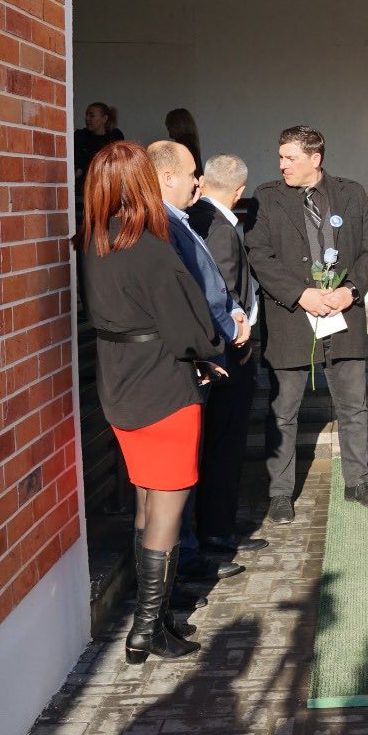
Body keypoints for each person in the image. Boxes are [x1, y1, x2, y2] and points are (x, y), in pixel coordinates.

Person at [80, 141, 223, 663]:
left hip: (118, 383)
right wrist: (211, 352)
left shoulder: (93, 242)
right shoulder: (150, 246)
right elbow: (189, 323)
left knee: (146, 497)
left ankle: (156, 618)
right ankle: (146, 629)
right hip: (163, 384)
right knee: (167, 504)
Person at [248, 125, 368, 519]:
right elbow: (258, 254)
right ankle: (280, 494)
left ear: (316, 158)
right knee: (283, 410)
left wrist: (351, 291)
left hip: (343, 316)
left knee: (353, 406)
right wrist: (300, 294)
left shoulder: (351, 193)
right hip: (291, 318)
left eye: (290, 158)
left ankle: (357, 483)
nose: (282, 165)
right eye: (280, 157)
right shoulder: (267, 197)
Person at [149, 139, 251, 586]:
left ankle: (188, 553)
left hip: (206, 353)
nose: (198, 182)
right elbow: (195, 294)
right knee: (179, 471)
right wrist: (228, 329)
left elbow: (215, 288)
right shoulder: (167, 227)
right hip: (192, 361)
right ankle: (185, 558)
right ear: (168, 176)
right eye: (192, 173)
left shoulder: (182, 221)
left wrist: (234, 312)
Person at [187, 154, 268, 557]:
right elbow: (220, 294)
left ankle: (214, 527)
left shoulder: (195, 216)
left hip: (214, 353)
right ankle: (218, 531)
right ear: (239, 192)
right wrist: (239, 337)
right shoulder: (218, 227)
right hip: (228, 354)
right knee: (225, 444)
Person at [75, 101, 123, 193]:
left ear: (104, 119)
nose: (87, 119)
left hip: (109, 187)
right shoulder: (80, 136)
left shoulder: (115, 136)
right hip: (84, 189)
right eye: (86, 115)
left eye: (91, 116)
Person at [164, 107, 203, 179]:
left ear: (177, 125)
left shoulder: (184, 143)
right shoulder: (190, 140)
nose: (168, 129)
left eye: (169, 125)